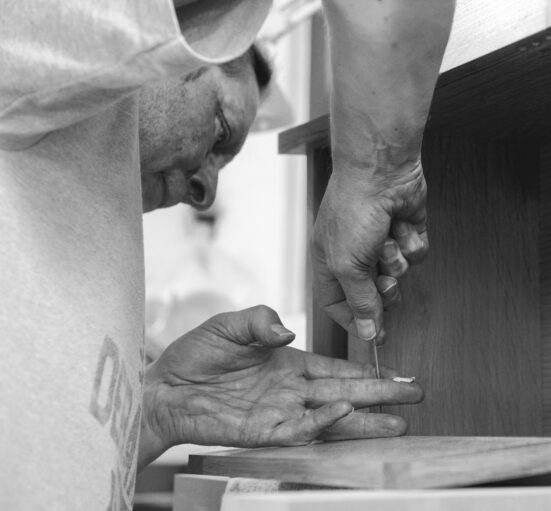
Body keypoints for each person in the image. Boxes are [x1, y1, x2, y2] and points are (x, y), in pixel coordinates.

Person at [0, 0, 454, 509]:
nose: (206, 193)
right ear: (176, 43)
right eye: (221, 131)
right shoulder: (21, 47)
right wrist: (377, 173)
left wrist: (158, 407)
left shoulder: (79, 205)